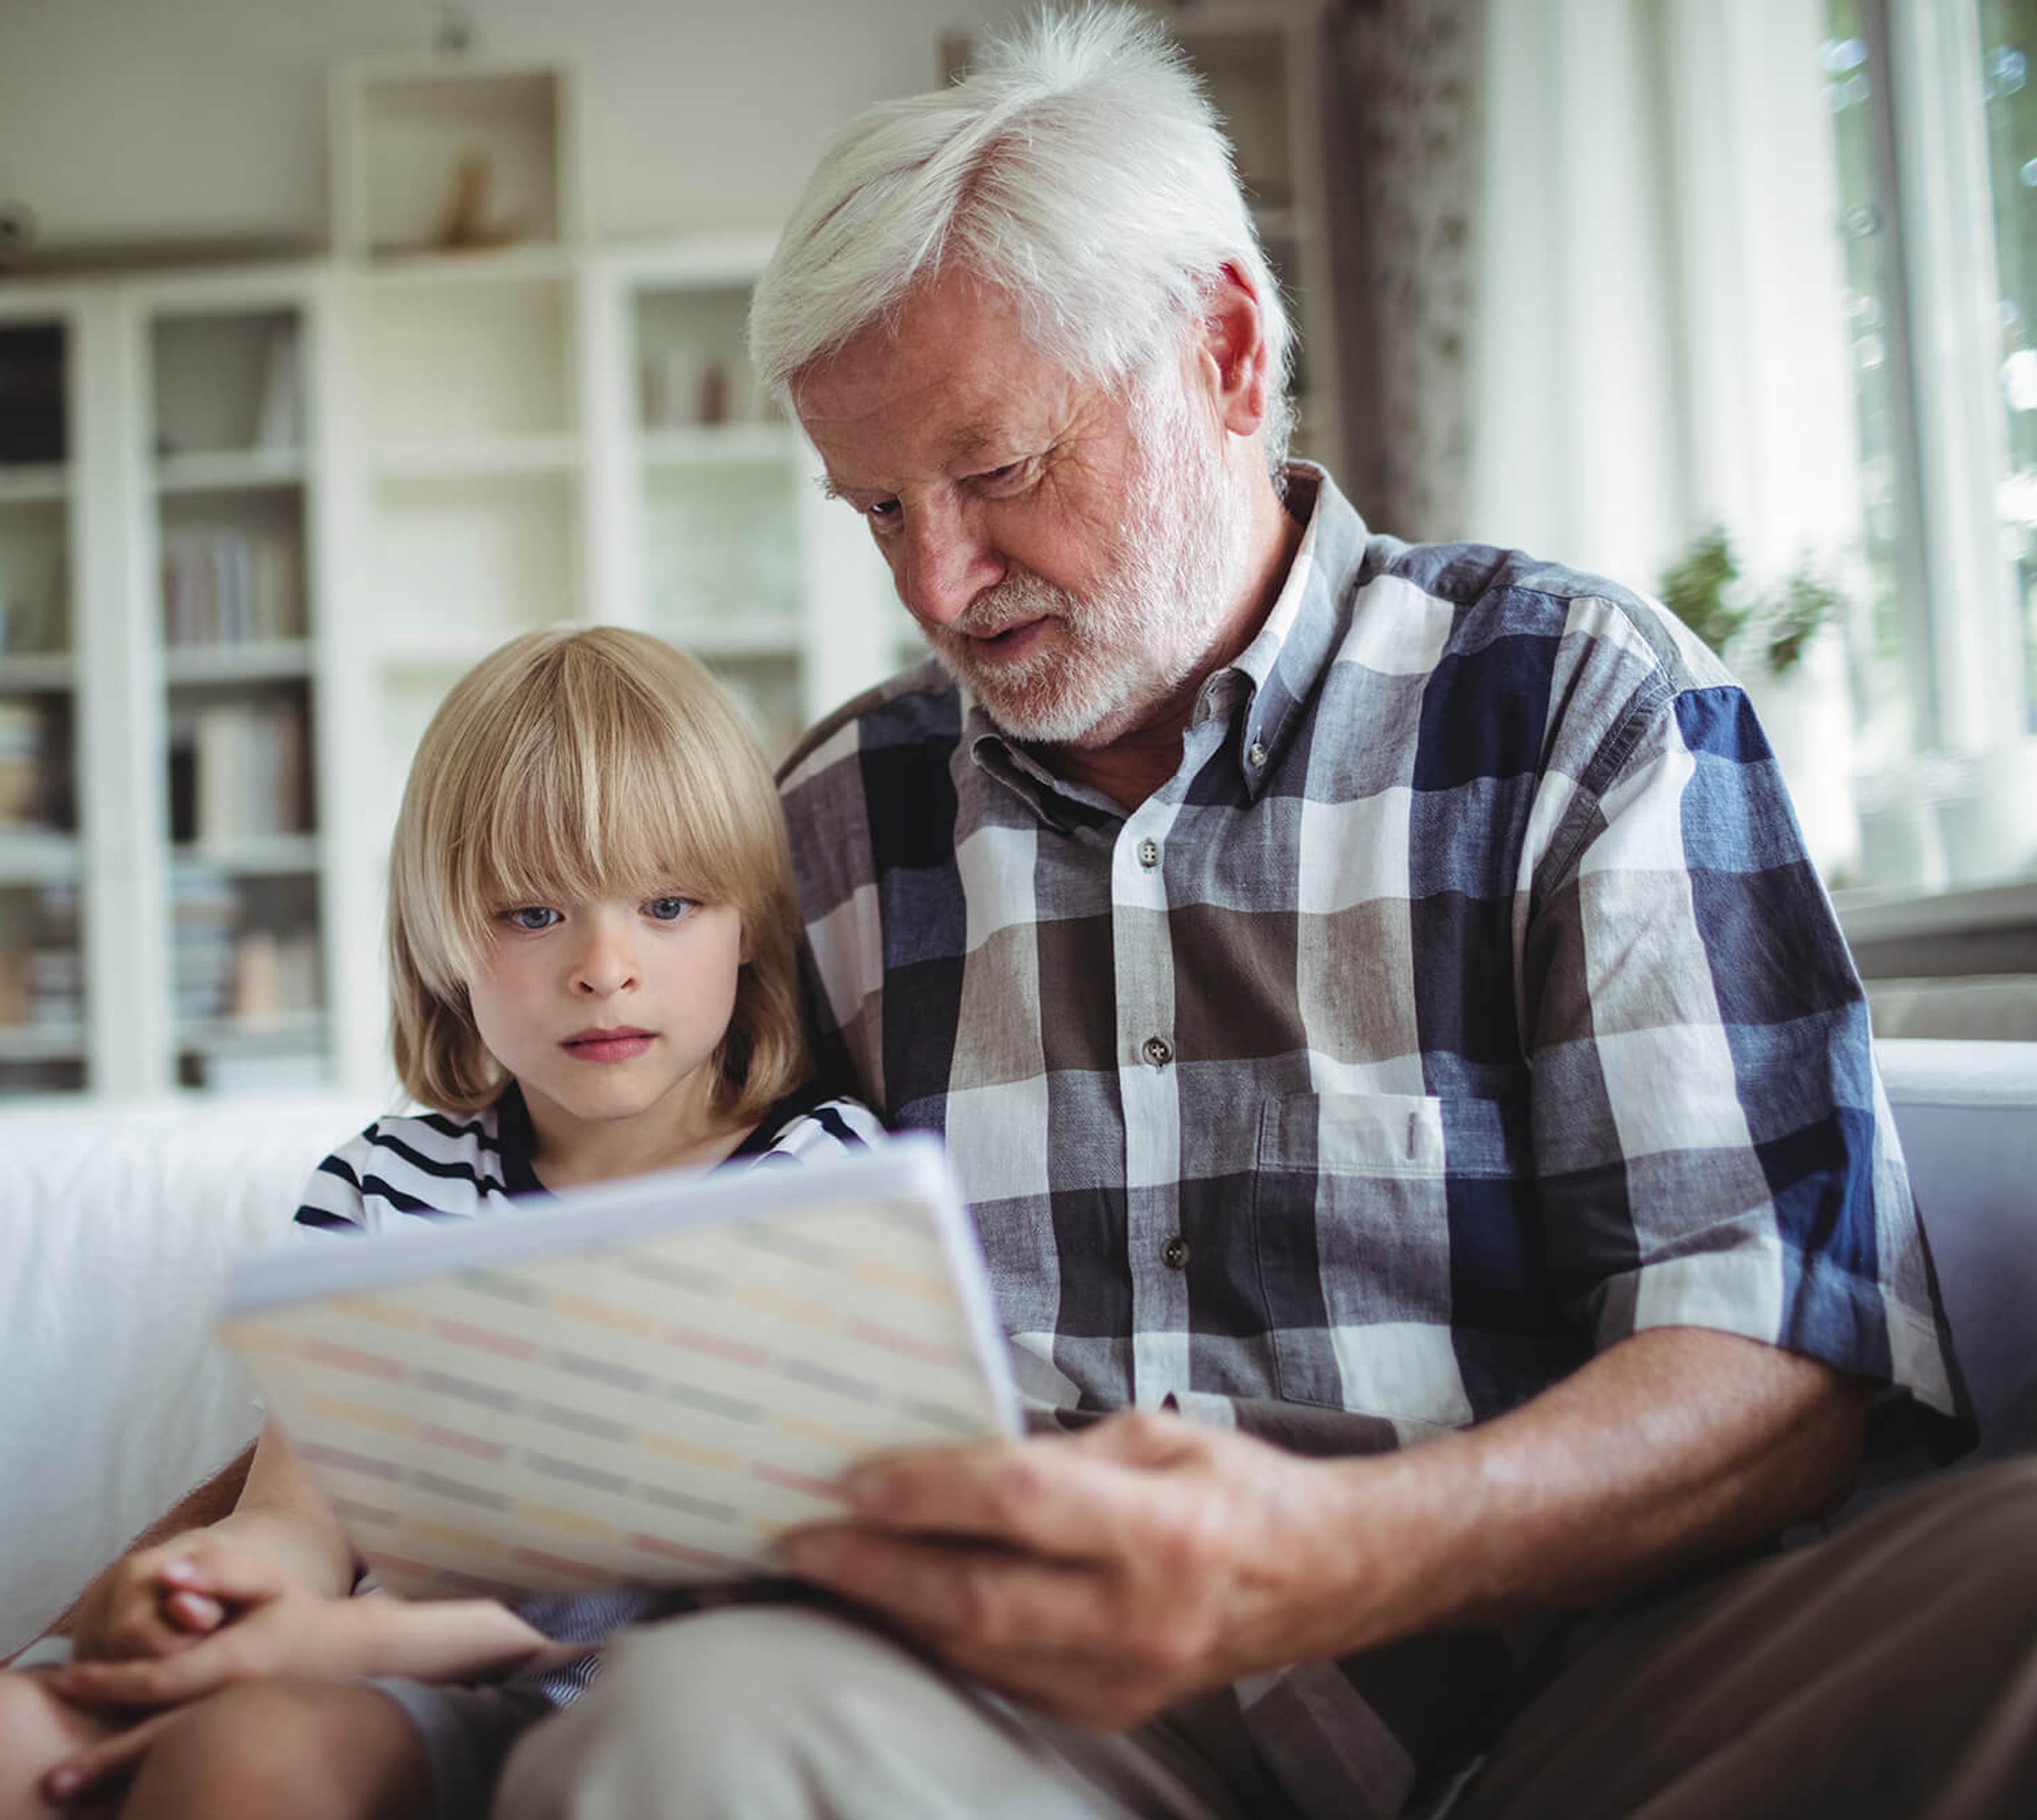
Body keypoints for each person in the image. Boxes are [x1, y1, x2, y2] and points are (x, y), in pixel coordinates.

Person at [492, 11, 2034, 1820]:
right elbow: (554, 1251)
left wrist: (1341, 1551)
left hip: (1597, 1689)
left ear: (1223, 351)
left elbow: (1782, 1350)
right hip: (1034, 1739)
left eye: (996, 470)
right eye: (879, 506)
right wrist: (268, 1543)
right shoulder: (836, 822)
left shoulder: (1574, 703)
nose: (937, 580)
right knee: (678, 1730)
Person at [0, 627, 880, 1820]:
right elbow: (299, 1519)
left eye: (668, 905)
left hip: (633, 1704)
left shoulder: (816, 1180)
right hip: (378, 1685)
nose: (604, 966)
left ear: (750, 924)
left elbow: (738, 1578)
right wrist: (214, 1583)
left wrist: (358, 1644)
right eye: (532, 914)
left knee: (256, 1753)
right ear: (444, 940)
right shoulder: (390, 1186)